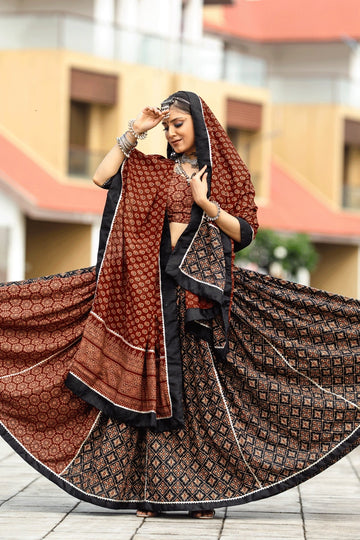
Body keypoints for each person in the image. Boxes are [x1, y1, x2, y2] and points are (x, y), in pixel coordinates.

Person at [0, 91, 360, 521]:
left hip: (198, 295)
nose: (170, 133)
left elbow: (244, 231)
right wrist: (137, 129)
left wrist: (207, 204)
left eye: (177, 124)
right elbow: (101, 177)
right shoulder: (155, 169)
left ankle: (197, 493)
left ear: (200, 124)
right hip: (148, 292)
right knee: (149, 392)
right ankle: (151, 493)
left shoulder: (225, 173)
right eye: (166, 126)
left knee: (197, 396)